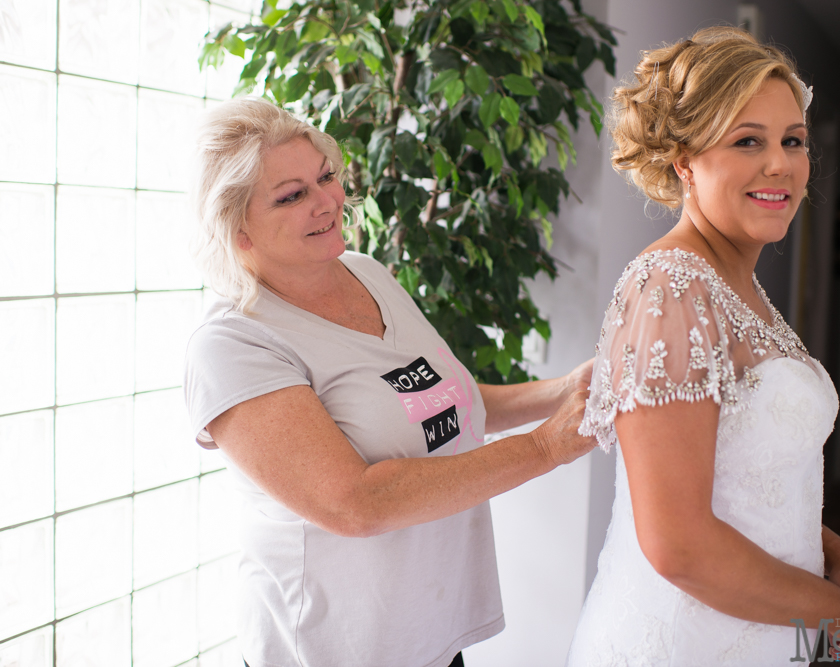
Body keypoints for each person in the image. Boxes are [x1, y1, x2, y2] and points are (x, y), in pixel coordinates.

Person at [183, 98, 595, 667]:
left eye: (326, 177)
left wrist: (567, 387)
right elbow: (355, 503)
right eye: (292, 195)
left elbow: (442, 401)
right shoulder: (231, 344)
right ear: (239, 230)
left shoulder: (365, 272)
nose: (328, 202)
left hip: (428, 635)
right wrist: (548, 446)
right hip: (335, 649)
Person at [567, 27, 840, 666]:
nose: (781, 164)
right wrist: (837, 615)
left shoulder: (739, 290)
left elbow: (750, 486)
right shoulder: (673, 286)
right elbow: (678, 543)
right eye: (748, 141)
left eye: (792, 141)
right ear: (685, 160)